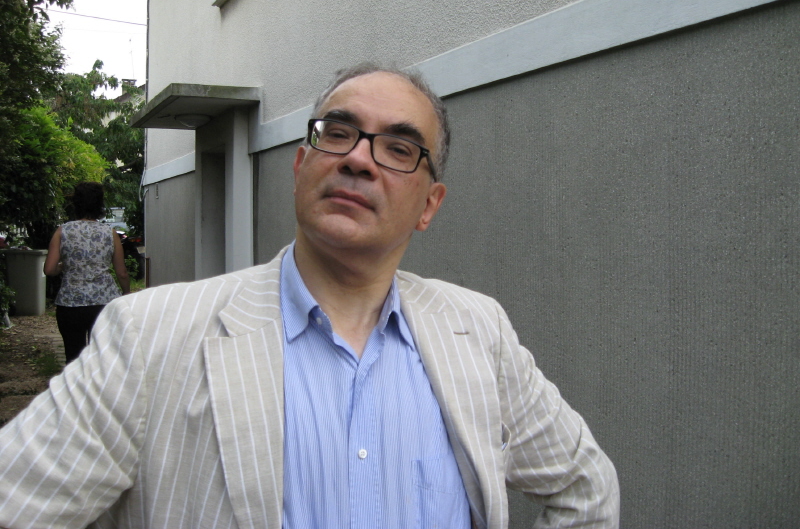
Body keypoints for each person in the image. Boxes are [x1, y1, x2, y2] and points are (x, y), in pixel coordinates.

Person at [0, 64, 619, 528]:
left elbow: (585, 487)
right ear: (300, 168)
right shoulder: (148, 336)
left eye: (399, 149)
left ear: (429, 206)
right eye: (338, 133)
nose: (359, 159)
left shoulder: (478, 330)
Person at [43, 181, 130, 362]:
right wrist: (126, 294)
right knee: (102, 357)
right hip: (103, 303)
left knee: (74, 357)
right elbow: (121, 272)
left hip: (70, 303)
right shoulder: (110, 233)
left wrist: (64, 266)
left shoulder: (63, 231)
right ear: (100, 205)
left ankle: (76, 381)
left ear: (76, 204)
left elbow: (49, 269)